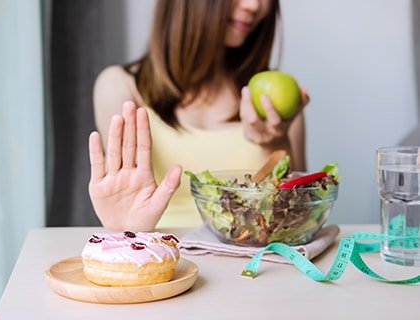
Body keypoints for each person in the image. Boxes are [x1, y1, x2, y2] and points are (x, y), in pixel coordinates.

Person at [88, 0, 309, 231]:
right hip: (162, 259)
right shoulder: (119, 87)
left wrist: (277, 145)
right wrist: (125, 228)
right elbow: (124, 213)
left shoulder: (276, 104)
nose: (254, 5)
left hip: (254, 264)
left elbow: (300, 218)